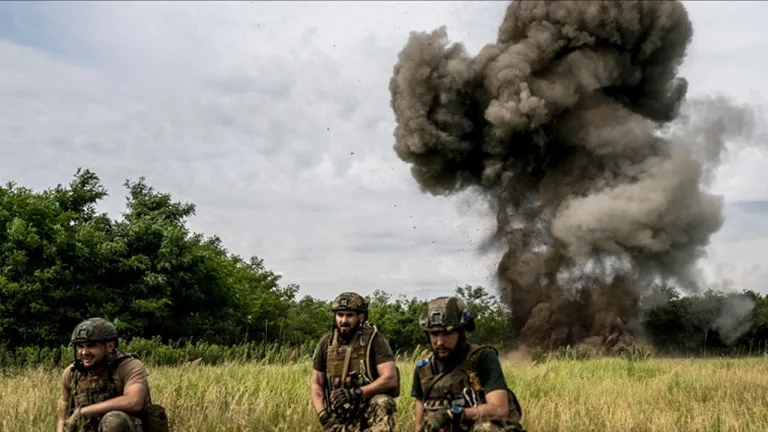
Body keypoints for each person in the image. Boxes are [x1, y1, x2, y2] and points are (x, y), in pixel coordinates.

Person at [411, 296, 526, 432]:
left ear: (461, 332)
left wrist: (454, 414)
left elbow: (499, 409)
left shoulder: (482, 358)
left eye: (448, 333)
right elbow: (419, 425)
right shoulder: (423, 370)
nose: (440, 342)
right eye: (434, 334)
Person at [57, 317, 169, 432]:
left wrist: (83, 412)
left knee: (114, 421)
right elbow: (63, 416)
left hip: (127, 427)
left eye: (92, 346)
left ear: (110, 346)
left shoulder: (129, 366)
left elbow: (134, 402)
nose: (84, 352)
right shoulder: (72, 373)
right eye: (80, 346)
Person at [310, 292, 400, 431]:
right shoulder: (326, 343)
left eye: (349, 315)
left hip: (367, 407)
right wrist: (323, 415)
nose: (344, 320)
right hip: (338, 411)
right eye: (340, 315)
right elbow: (317, 382)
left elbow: (390, 378)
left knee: (383, 402)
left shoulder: (374, 340)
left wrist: (355, 393)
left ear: (361, 317)